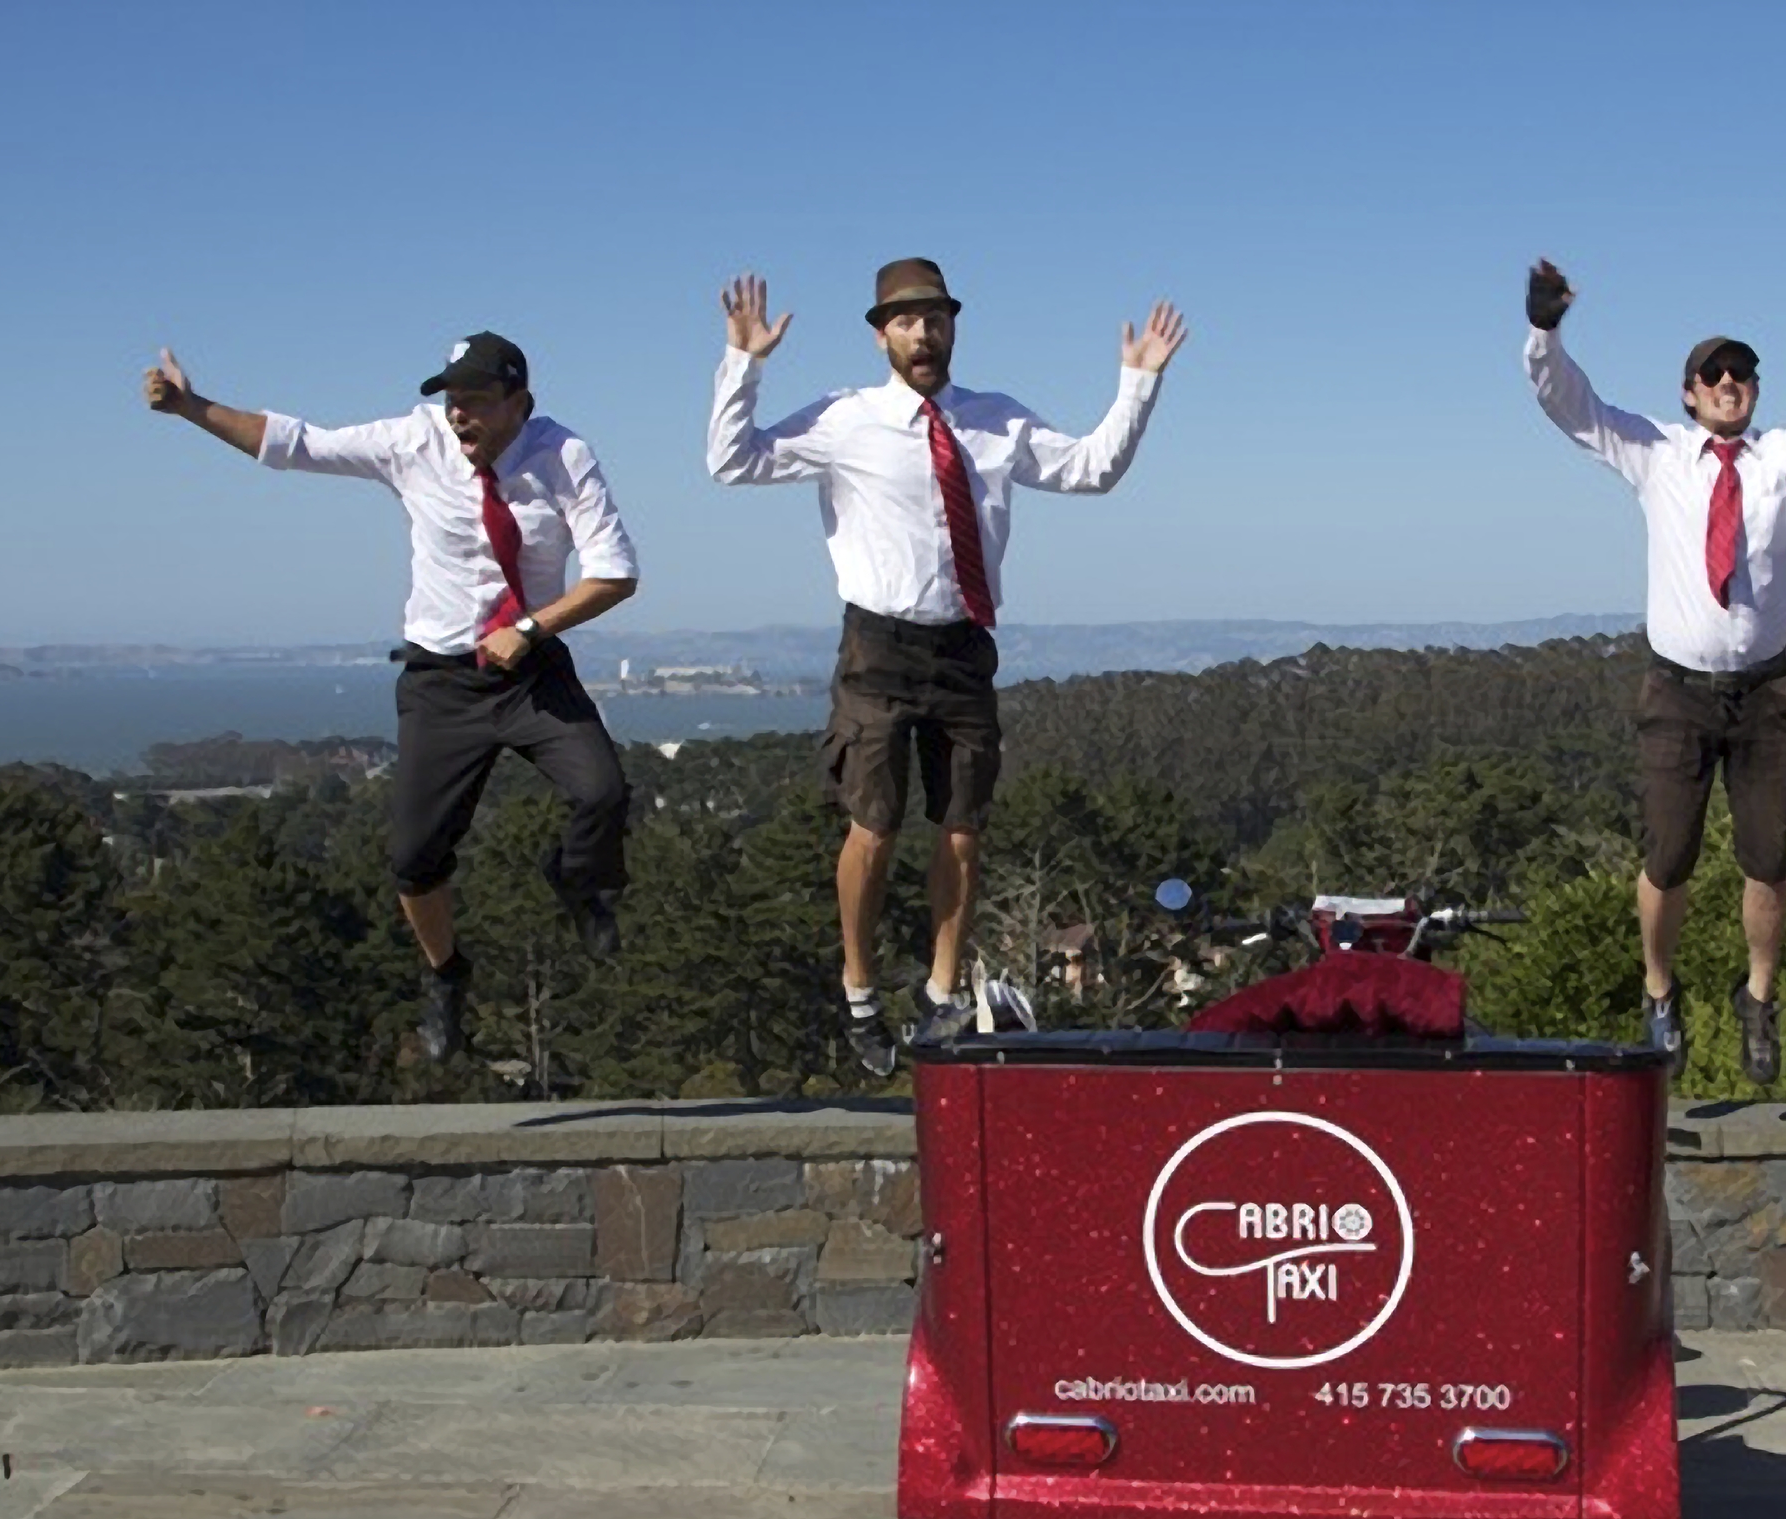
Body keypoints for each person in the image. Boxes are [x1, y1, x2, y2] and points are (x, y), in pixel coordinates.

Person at [708, 259, 1187, 1074]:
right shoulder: (845, 418)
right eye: (906, 321)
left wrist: (1136, 385)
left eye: (936, 318)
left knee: (963, 829)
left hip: (964, 647)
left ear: (953, 326)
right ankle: (860, 994)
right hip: (877, 649)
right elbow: (732, 460)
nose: (923, 334)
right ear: (880, 333)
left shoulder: (995, 420)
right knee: (875, 826)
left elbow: (1092, 470)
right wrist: (743, 364)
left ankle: (939, 997)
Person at [143, 333, 642, 1063]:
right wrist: (191, 408)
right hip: (442, 682)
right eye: (451, 400)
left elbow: (616, 572)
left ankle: (575, 882)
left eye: (475, 400)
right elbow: (295, 443)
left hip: (531, 668)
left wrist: (530, 629)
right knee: (413, 856)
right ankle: (445, 975)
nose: (458, 414)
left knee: (603, 792)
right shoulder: (413, 442)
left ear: (519, 404)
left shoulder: (565, 456)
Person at [1526, 264, 1786, 1084]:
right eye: (1715, 375)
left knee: (1768, 860)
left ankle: (1759, 1000)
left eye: (1742, 373)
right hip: (1676, 693)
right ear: (1690, 393)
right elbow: (1568, 402)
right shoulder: (1656, 455)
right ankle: (1660, 991)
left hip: (1765, 694)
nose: (1730, 383)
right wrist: (1546, 330)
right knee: (1667, 857)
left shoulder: (1785, 460)